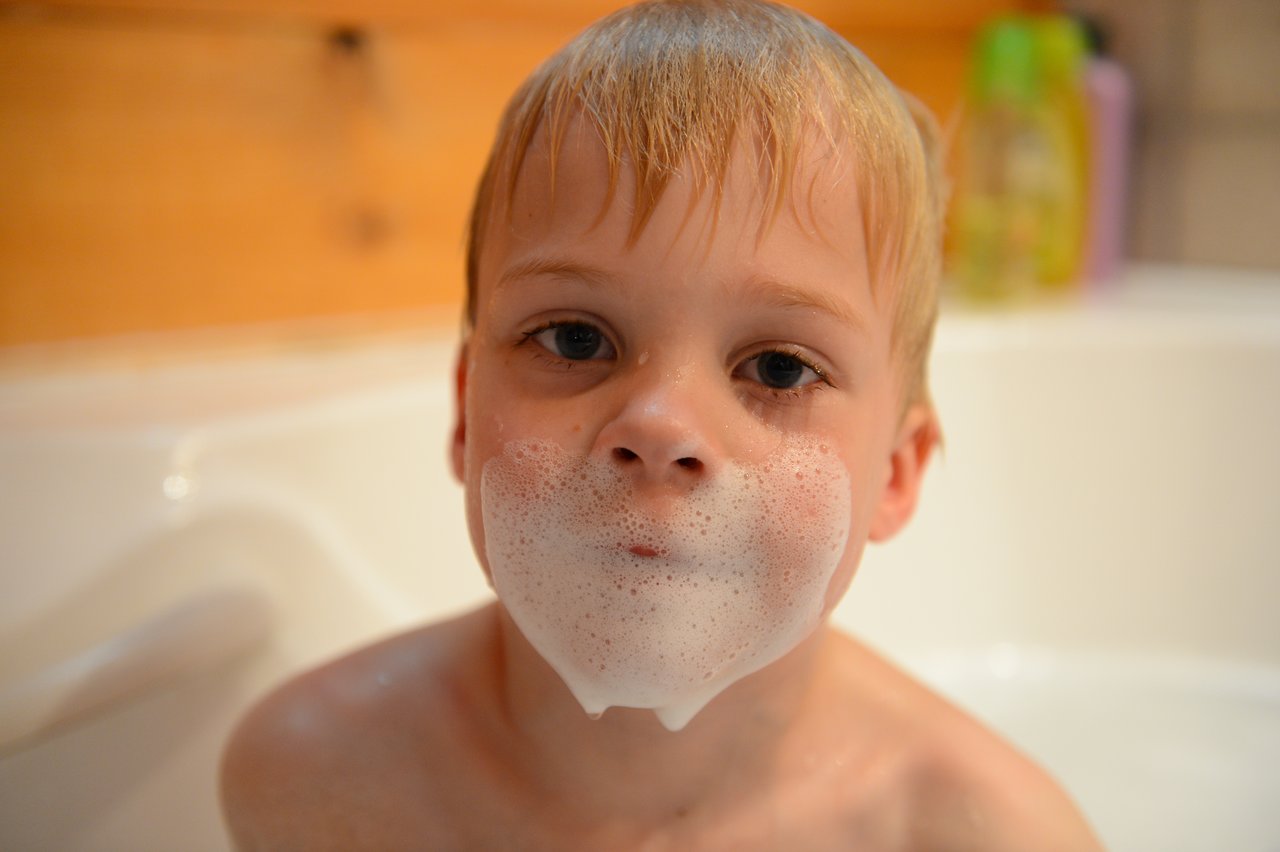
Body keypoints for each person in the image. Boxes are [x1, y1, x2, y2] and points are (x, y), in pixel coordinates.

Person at [220, 1, 1104, 848]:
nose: (659, 423)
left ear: (898, 473)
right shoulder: (319, 781)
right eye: (574, 339)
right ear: (463, 410)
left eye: (778, 368)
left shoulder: (973, 834)